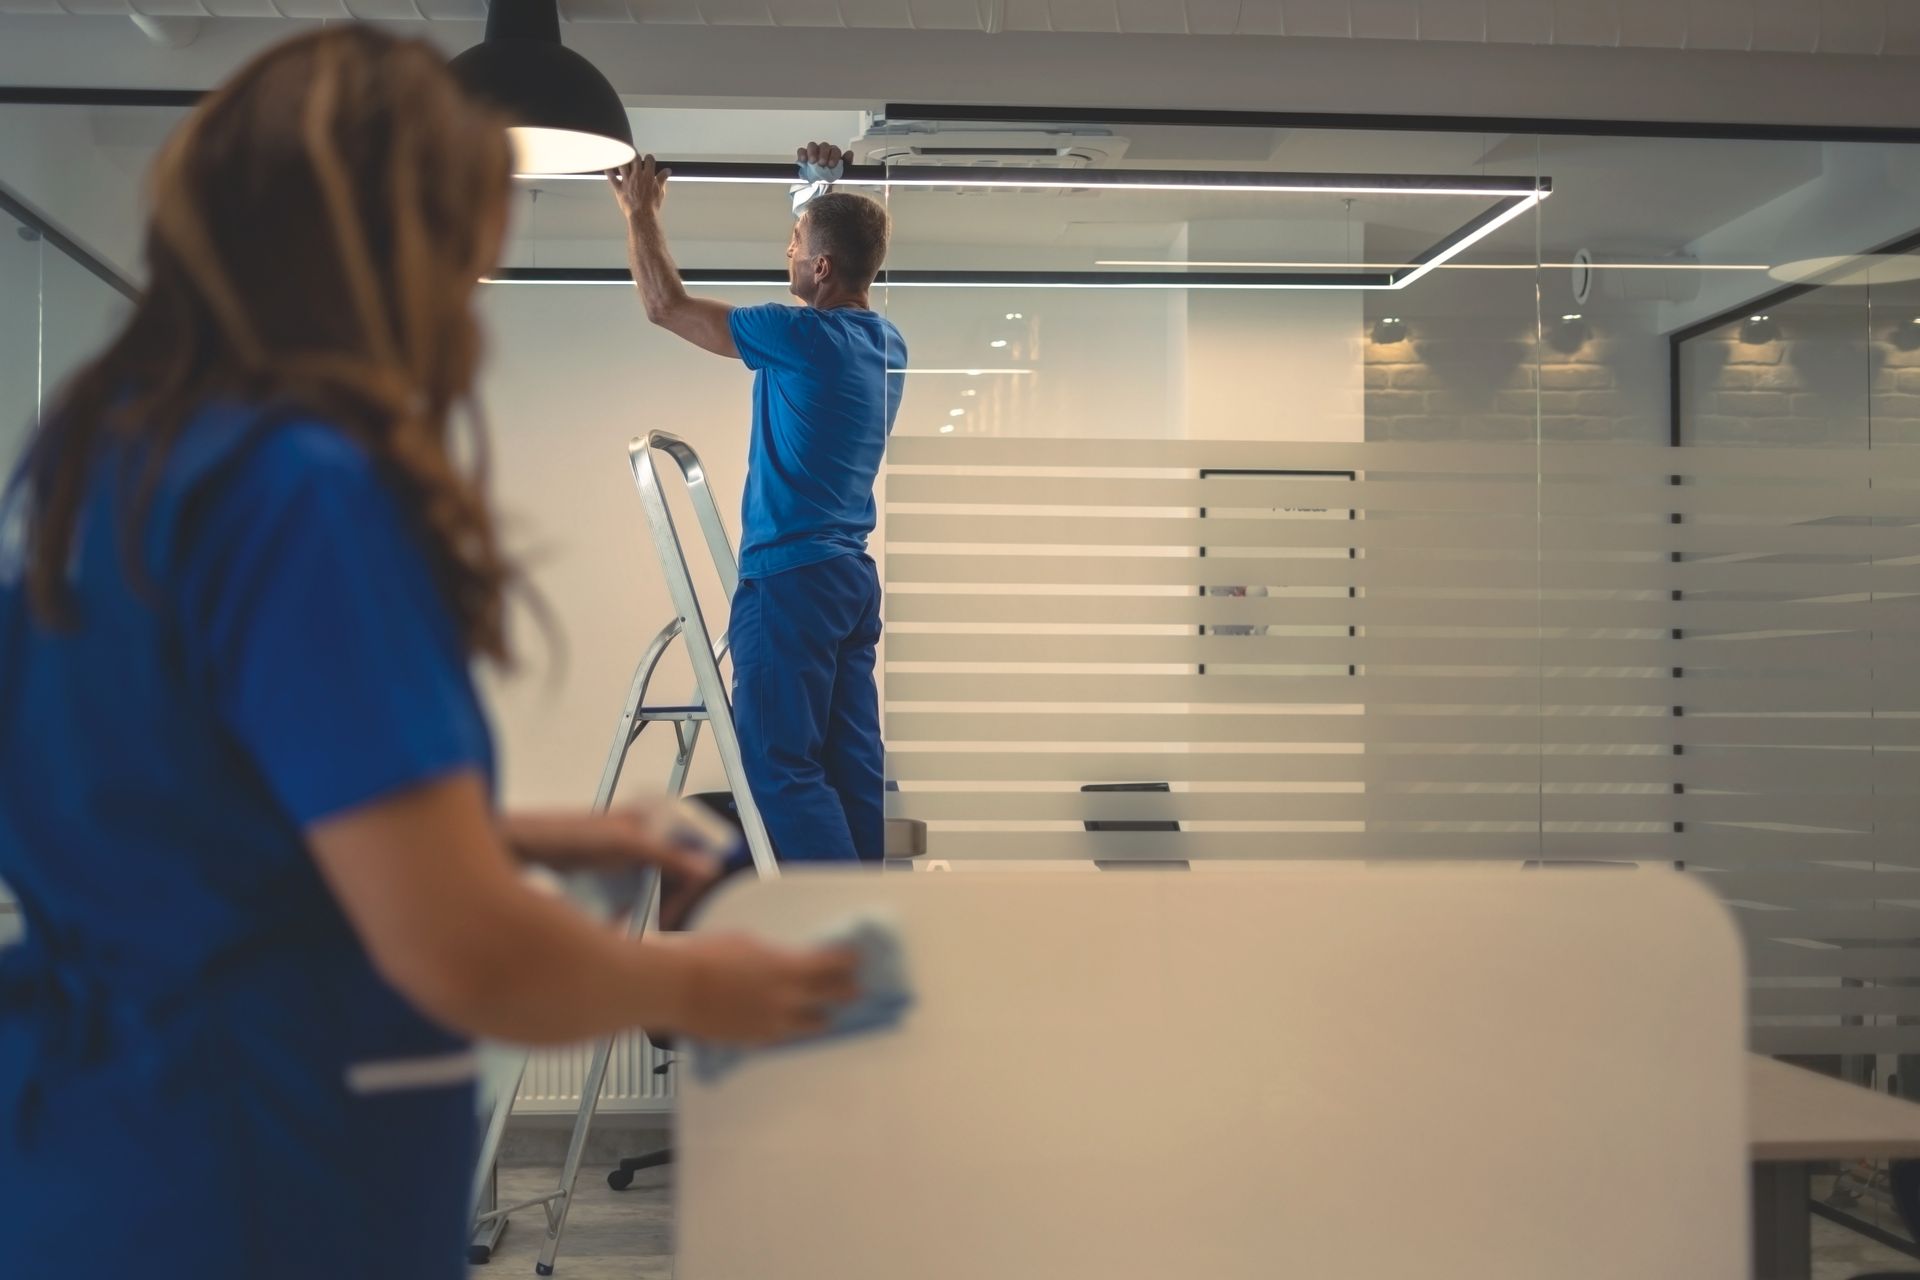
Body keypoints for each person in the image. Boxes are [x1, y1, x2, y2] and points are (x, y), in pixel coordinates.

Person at [0, 28, 856, 1280]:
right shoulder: (303, 490)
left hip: (88, 1164)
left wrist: (529, 839)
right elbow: (462, 948)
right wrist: (712, 987)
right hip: (265, 1185)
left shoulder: (95, 458)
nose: (469, 281)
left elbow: (196, 832)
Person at [609, 145, 906, 868]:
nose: (788, 252)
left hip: (792, 579)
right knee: (851, 769)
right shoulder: (883, 343)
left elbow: (664, 305)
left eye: (795, 246)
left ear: (822, 268)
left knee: (779, 768)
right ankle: (882, 926)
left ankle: (840, 943)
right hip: (846, 582)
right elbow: (831, 247)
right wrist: (815, 195)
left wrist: (642, 214)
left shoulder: (798, 335)